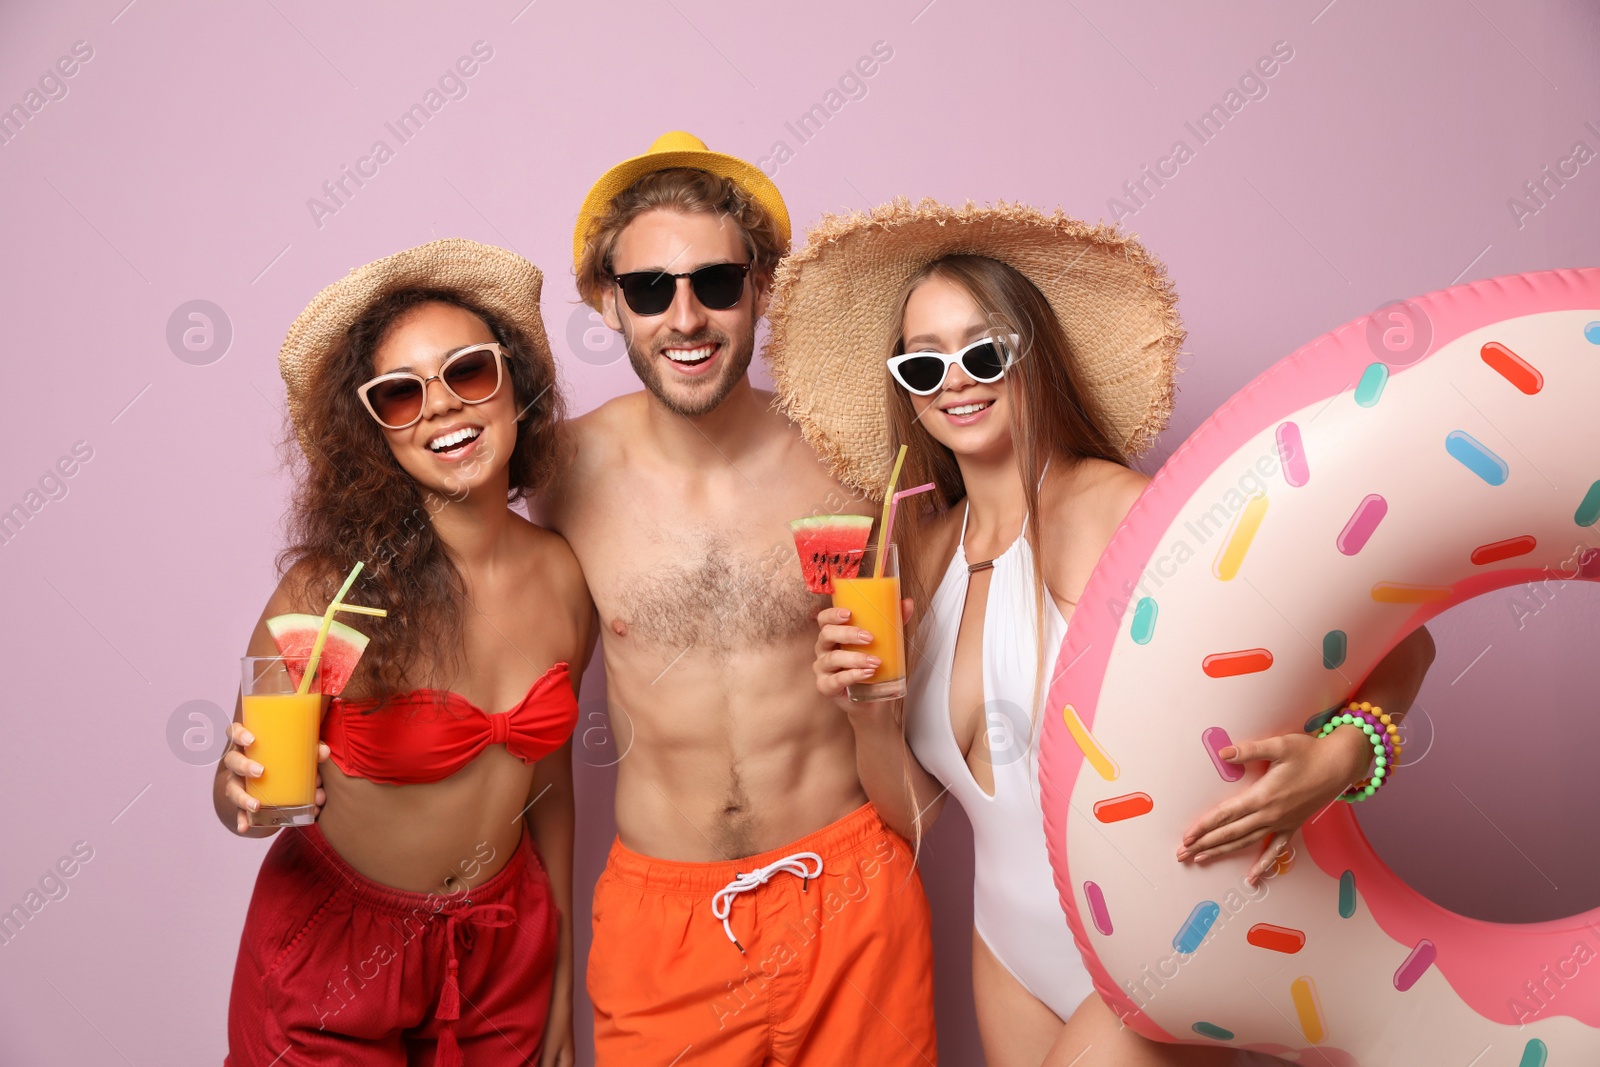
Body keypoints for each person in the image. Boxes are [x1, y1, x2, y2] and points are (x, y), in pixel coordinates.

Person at [772, 200, 1436, 1067]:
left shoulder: (1128, 515)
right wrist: (867, 713)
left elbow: (1400, 638)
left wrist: (1348, 756)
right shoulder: (918, 552)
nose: (955, 382)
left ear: (1031, 357)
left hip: (1161, 943)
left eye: (982, 352)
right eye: (923, 365)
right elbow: (927, 819)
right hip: (1006, 951)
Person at [543, 133, 937, 1065]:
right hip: (662, 928)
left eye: (716, 283)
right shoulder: (562, 473)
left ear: (760, 287)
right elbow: (530, 736)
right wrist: (551, 989)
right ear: (609, 303)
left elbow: (929, 716)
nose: (686, 317)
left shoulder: (850, 459)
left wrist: (878, 704)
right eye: (650, 289)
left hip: (851, 898)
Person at [215, 239, 592, 1066]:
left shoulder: (565, 578)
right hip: (337, 957)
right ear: (373, 431)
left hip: (504, 954)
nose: (442, 409)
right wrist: (237, 793)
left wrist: (561, 969)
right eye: (399, 394)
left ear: (513, 386)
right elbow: (242, 783)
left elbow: (552, 789)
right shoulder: (332, 597)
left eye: (467, 373)